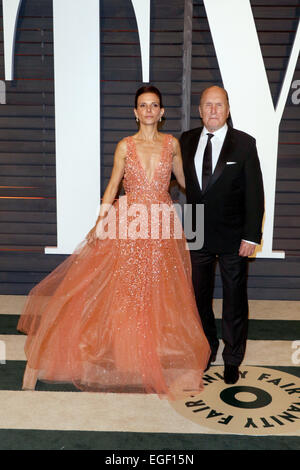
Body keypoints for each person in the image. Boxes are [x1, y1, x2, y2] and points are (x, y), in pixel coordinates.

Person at [17, 85, 210, 400]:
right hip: (130, 221)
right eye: (143, 105)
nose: (148, 110)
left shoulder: (172, 145)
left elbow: (187, 182)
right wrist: (99, 222)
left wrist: (211, 199)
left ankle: (151, 349)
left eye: (154, 105)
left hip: (161, 223)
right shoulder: (125, 146)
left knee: (159, 288)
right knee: (127, 287)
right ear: (135, 112)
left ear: (162, 113)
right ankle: (128, 352)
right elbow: (112, 187)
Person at [179, 86, 264, 384]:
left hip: (233, 236)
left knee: (234, 299)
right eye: (207, 105)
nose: (213, 110)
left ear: (227, 109)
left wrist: (251, 236)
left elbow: (255, 194)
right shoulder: (186, 141)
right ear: (200, 111)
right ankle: (207, 349)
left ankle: (232, 358)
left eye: (219, 105)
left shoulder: (244, 144)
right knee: (198, 299)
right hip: (196, 233)